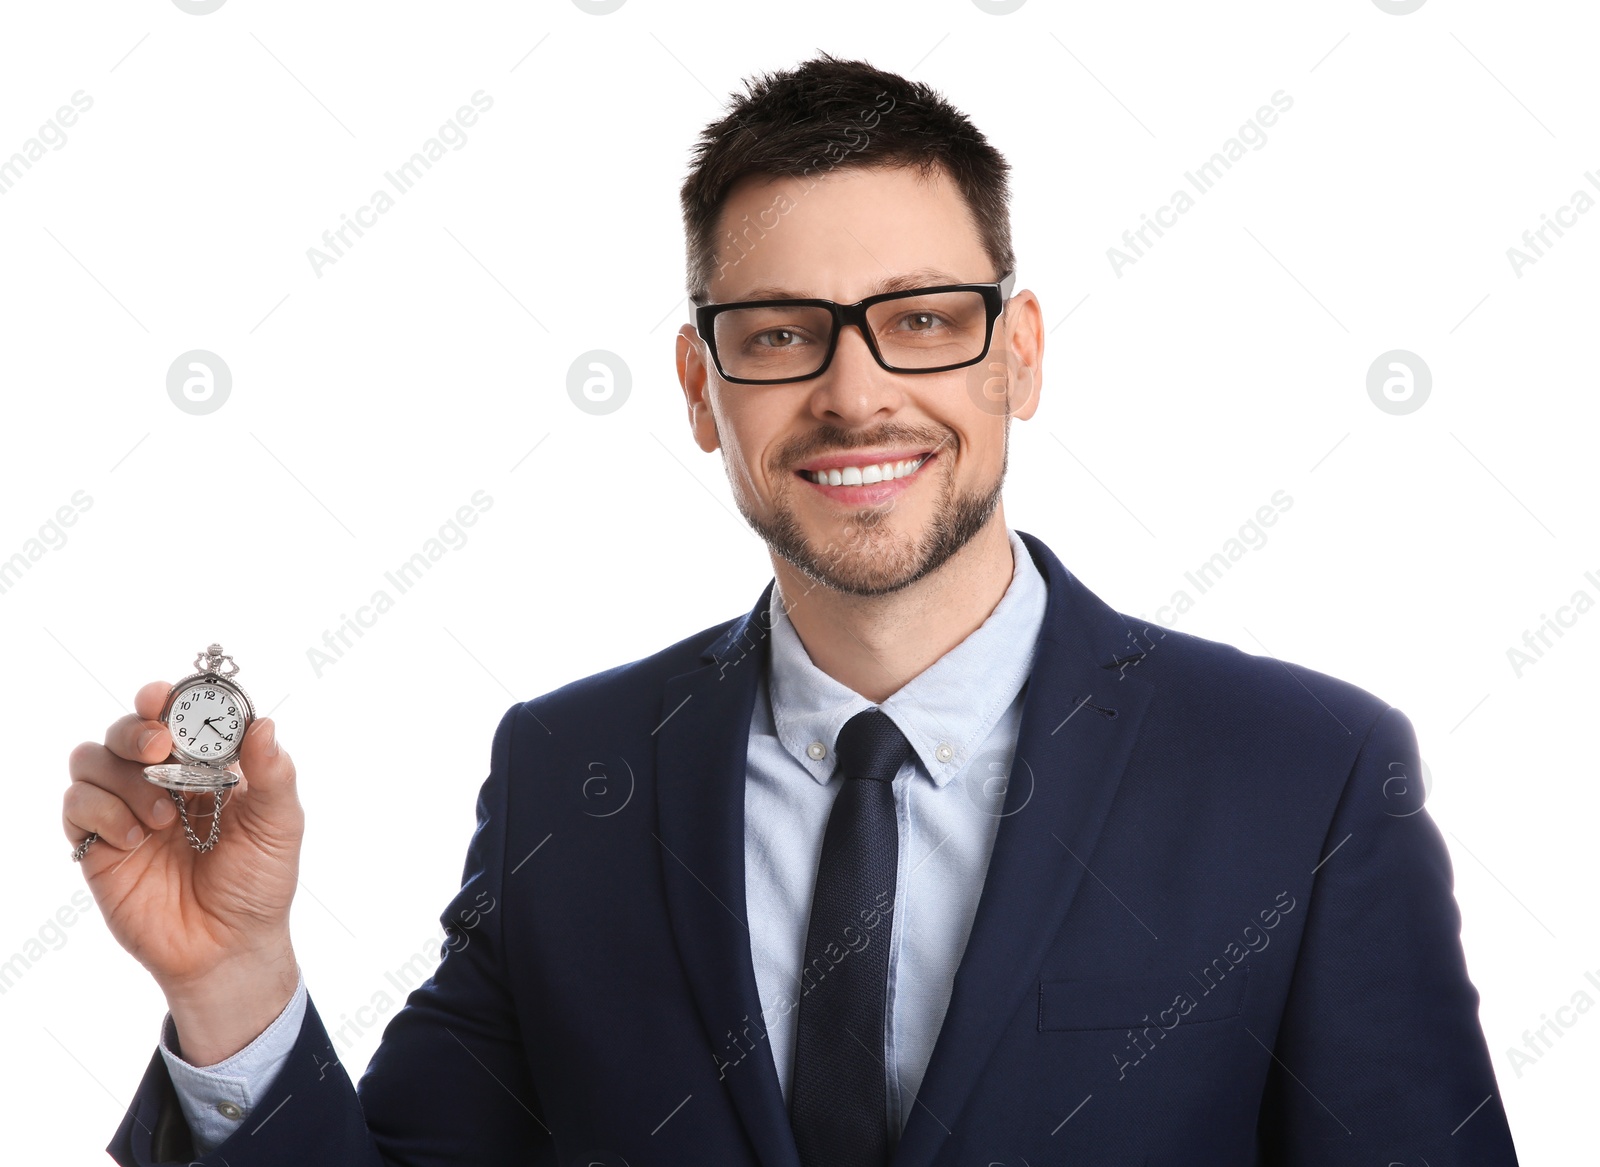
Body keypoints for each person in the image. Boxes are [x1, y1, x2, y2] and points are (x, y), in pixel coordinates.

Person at [67, 52, 1519, 1166]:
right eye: (779, 335)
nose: (855, 391)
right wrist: (235, 984)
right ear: (704, 393)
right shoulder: (569, 780)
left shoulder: (1304, 777)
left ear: (1016, 354)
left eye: (923, 319)